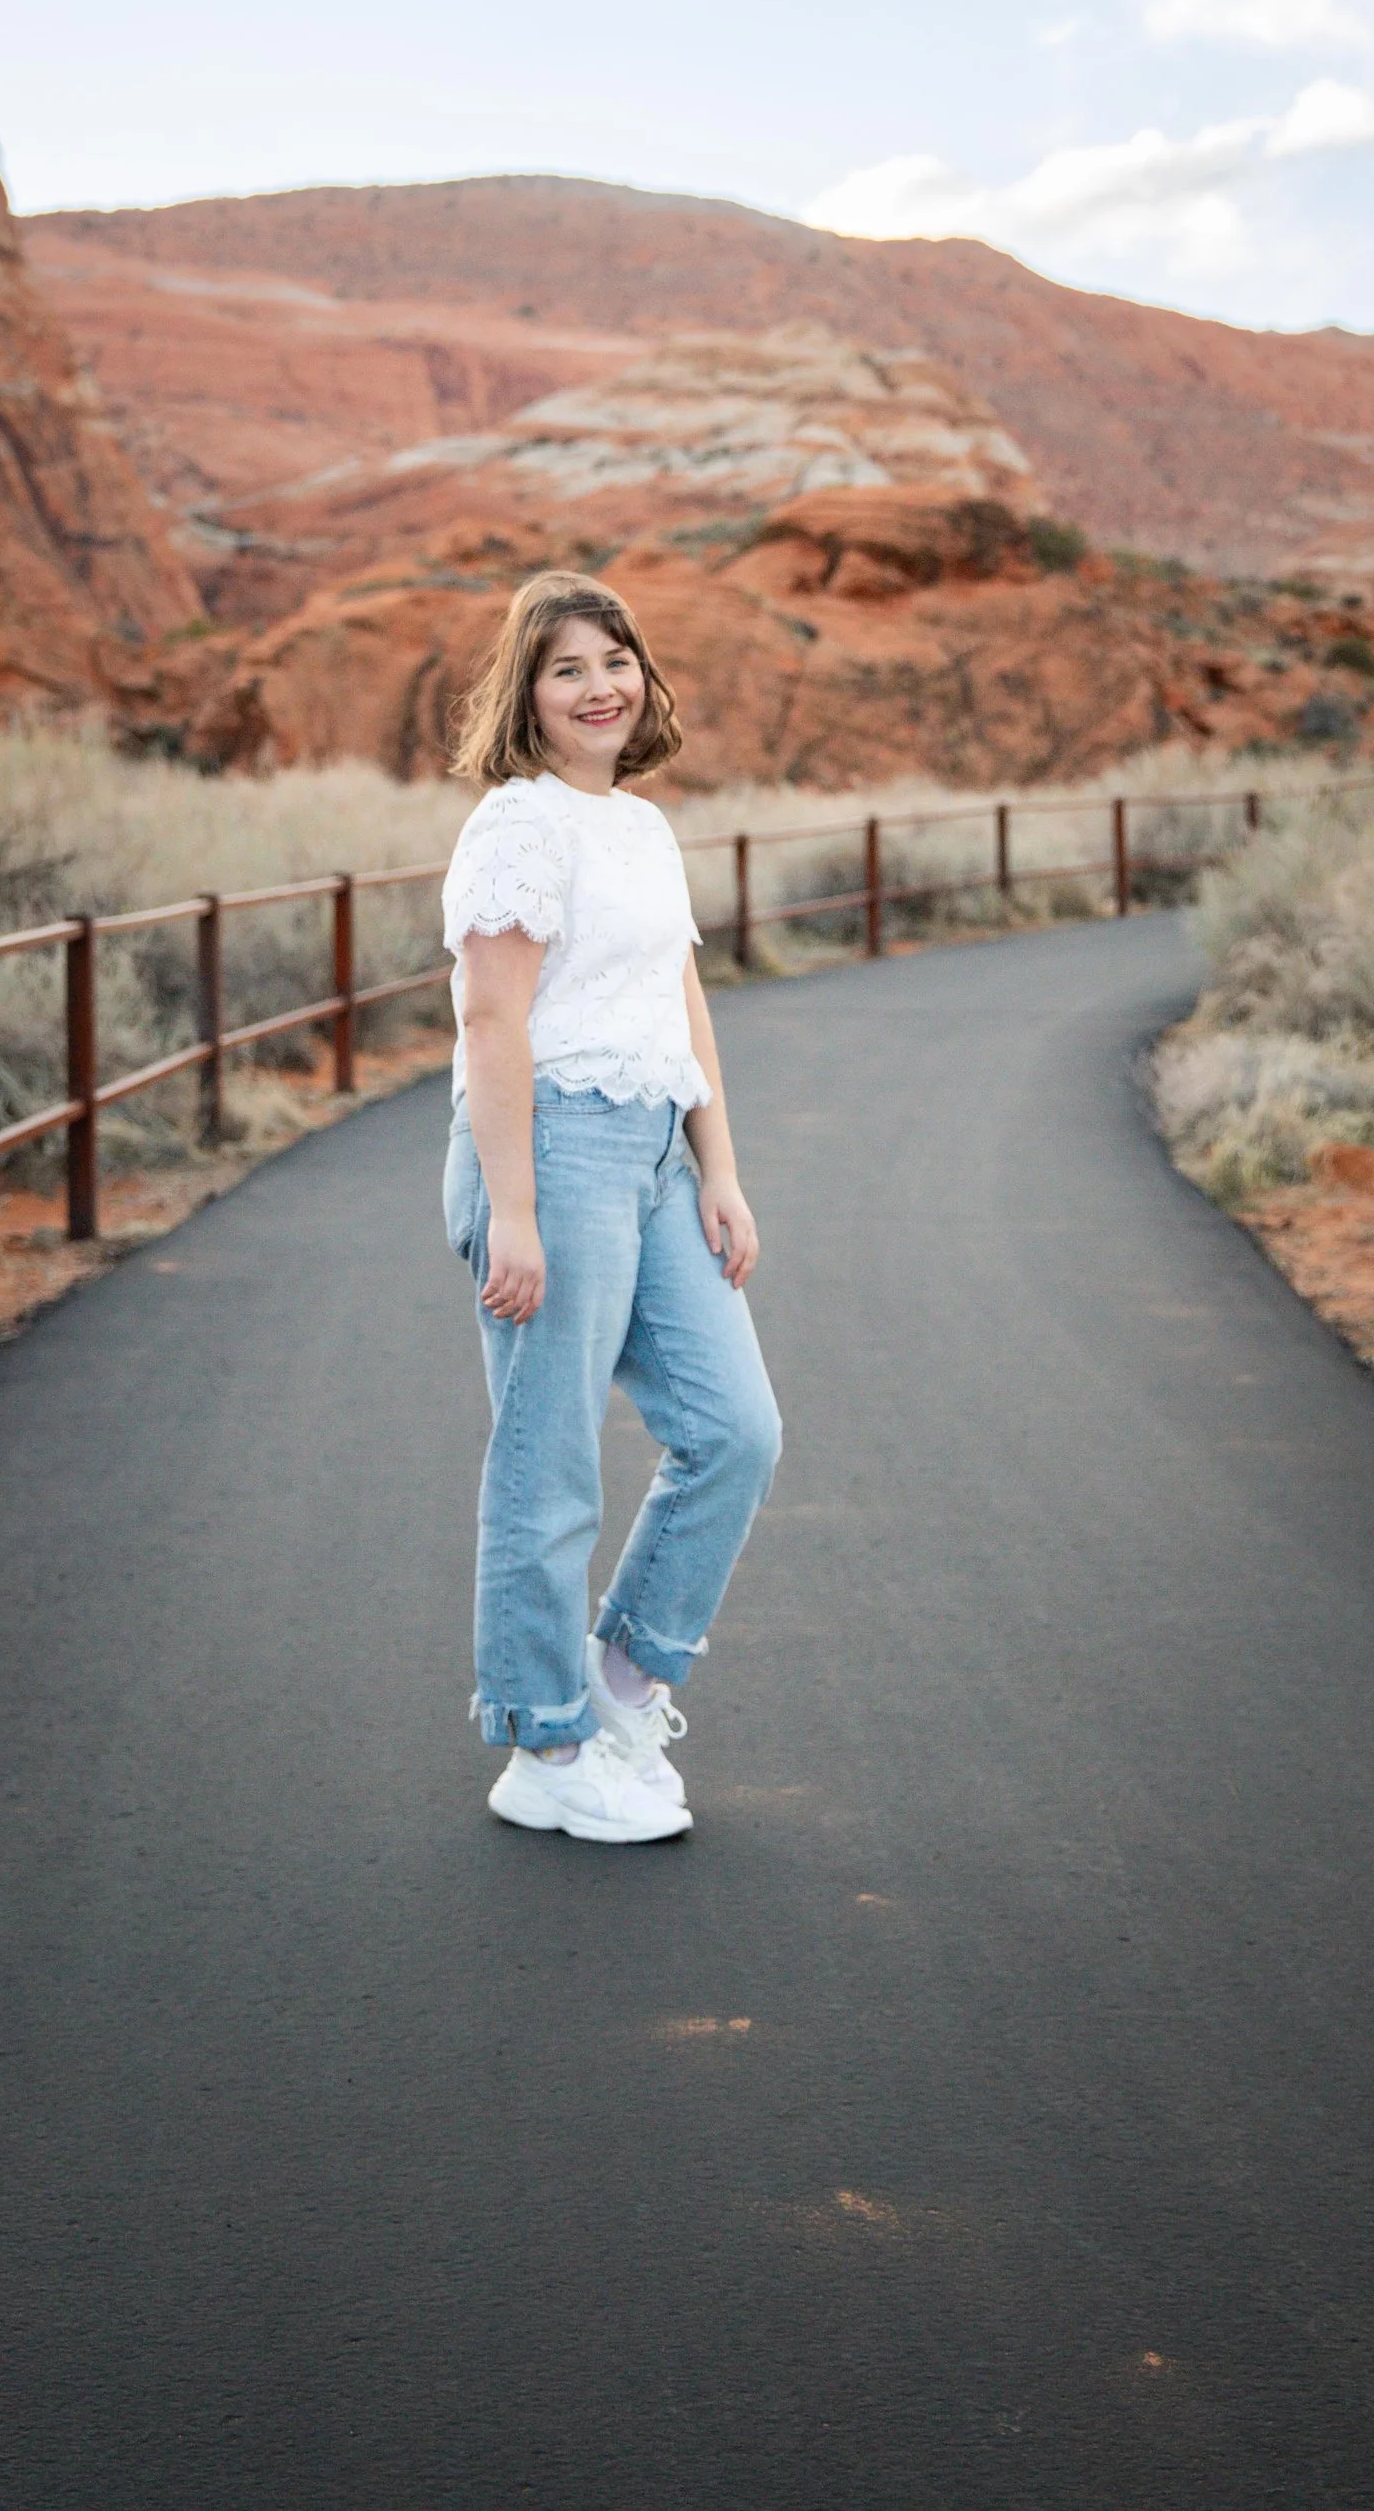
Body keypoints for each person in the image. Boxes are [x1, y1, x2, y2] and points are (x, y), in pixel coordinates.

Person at [439, 568, 781, 1843]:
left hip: (653, 1155)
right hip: (551, 1150)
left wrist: (721, 1168)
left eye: (616, 660)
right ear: (526, 694)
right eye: (567, 667)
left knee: (736, 1431)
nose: (600, 687)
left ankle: (619, 1685)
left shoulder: (637, 827)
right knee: (549, 1462)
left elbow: (677, 1004)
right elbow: (492, 1019)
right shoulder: (519, 827)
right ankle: (541, 1746)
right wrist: (513, 1209)